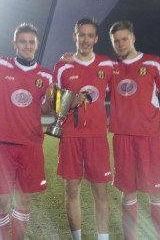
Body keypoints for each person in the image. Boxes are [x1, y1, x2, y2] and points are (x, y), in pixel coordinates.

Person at [108, 21, 160, 240]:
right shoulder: (110, 67)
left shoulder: (153, 63)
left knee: (156, 193)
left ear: (133, 38)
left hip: (150, 137)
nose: (121, 44)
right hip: (122, 137)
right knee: (128, 193)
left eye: (124, 39)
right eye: (116, 41)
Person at [0, 23, 54, 240]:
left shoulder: (46, 75)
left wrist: (52, 102)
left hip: (31, 146)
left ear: (37, 44)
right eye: (23, 42)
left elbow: (45, 108)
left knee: (24, 202)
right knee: (1, 202)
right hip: (4, 145)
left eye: (31, 42)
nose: (27, 46)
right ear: (14, 44)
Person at [52, 18, 113, 240]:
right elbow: (54, 103)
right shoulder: (62, 67)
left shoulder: (107, 65)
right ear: (74, 36)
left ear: (96, 39)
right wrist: (70, 101)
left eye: (90, 35)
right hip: (71, 136)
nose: (85, 40)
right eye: (81, 35)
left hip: (97, 137)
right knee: (72, 191)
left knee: (101, 194)